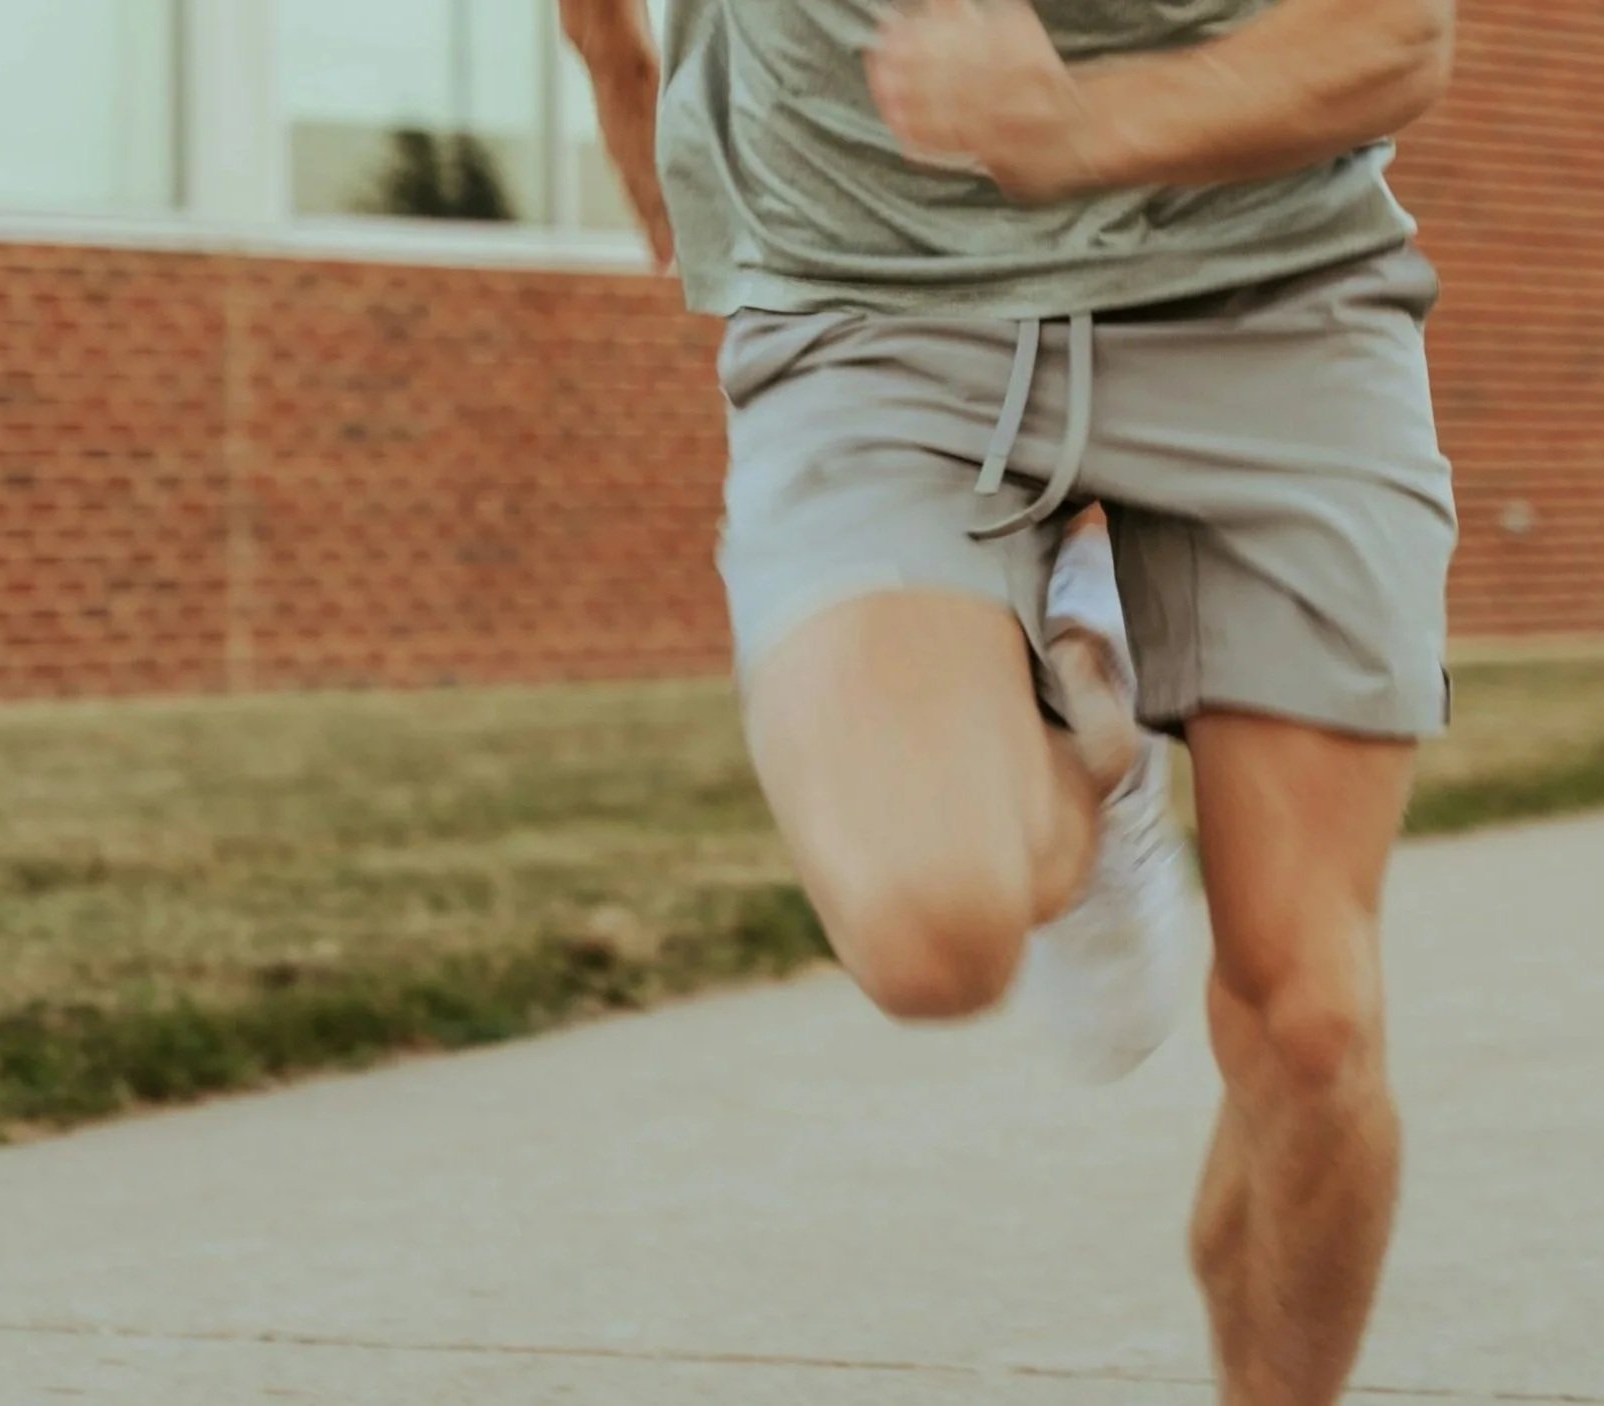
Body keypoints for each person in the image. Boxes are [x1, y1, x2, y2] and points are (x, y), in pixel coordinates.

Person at [563, 3, 1458, 1405]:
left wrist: (1083, 124)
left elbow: (1394, 36)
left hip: (1265, 294)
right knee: (930, 935)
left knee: (1311, 1021)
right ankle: (1089, 729)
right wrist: (617, 69)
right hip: (872, 298)